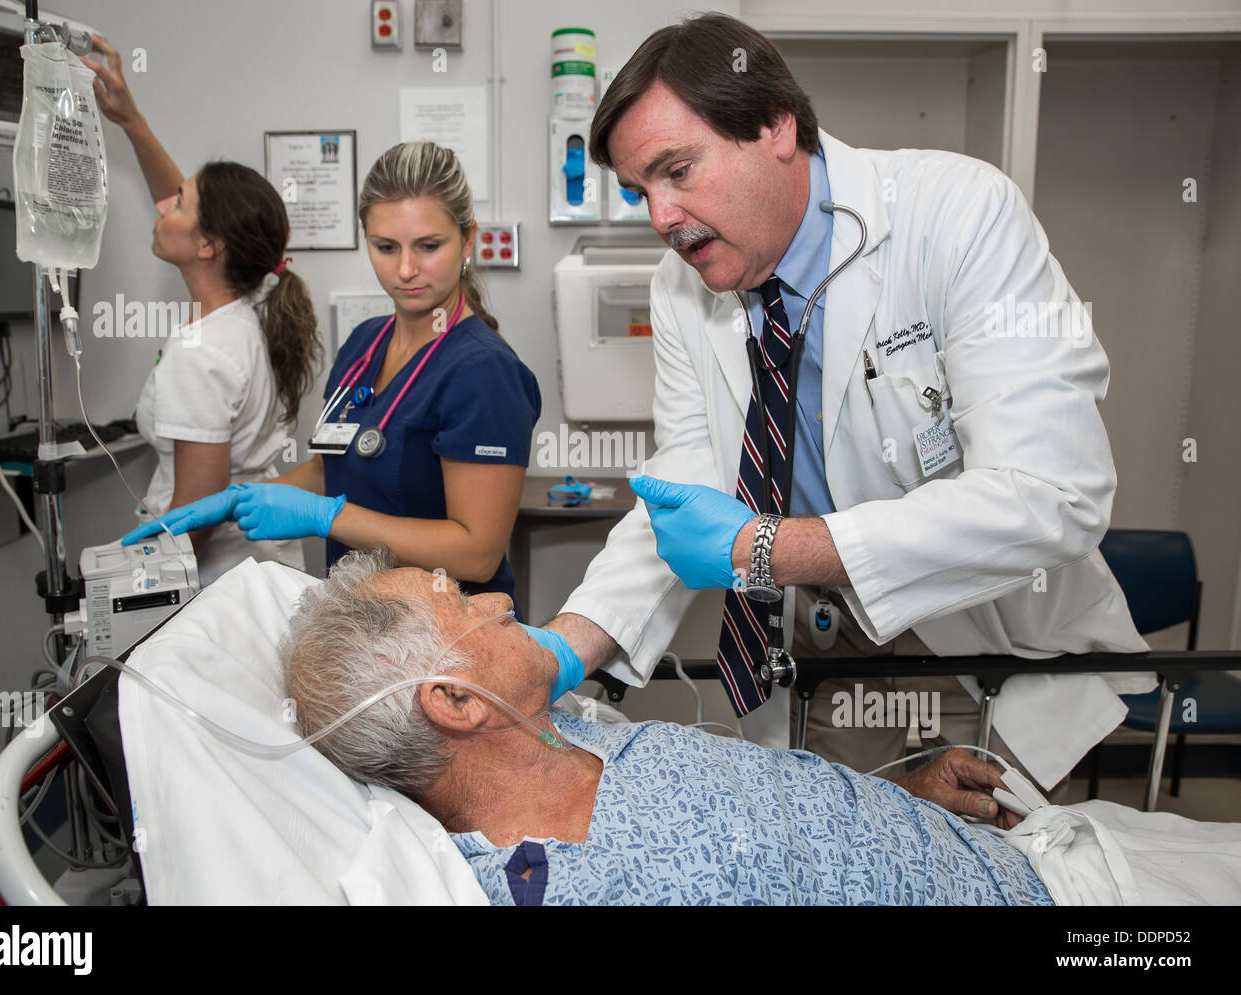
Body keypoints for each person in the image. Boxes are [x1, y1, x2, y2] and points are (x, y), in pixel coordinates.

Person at [522, 13, 1153, 795]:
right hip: (826, 639)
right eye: (639, 190)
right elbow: (685, 487)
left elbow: (1053, 492)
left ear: (776, 125)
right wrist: (561, 648)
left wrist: (767, 551)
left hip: (984, 644)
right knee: (831, 846)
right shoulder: (683, 287)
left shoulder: (957, 215)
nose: (661, 218)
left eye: (677, 170)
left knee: (966, 864)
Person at [282, 551, 1056, 906]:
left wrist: (901, 798)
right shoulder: (588, 881)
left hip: (1011, 850)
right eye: (461, 600)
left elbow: (769, 833)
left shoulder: (573, 737)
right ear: (454, 702)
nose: (500, 601)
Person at [124, 142, 541, 606]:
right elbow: (330, 469)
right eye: (385, 247)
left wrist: (328, 518)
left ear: (467, 240)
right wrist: (237, 499)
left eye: (429, 246)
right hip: (358, 623)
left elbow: (477, 553)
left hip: (447, 635)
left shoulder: (484, 372)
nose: (405, 270)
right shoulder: (365, 343)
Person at [85, 36, 321, 582]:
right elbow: (186, 206)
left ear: (210, 244)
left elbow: (196, 518)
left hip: (212, 585)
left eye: (181, 204)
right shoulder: (254, 306)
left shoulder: (202, 352)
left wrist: (129, 594)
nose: (164, 209)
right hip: (259, 569)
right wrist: (131, 120)